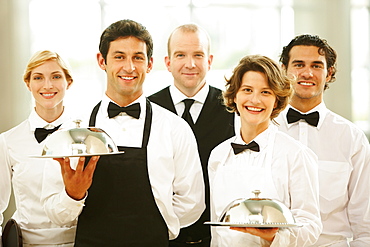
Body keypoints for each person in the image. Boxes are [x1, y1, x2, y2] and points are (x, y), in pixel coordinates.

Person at [41, 19, 205, 246]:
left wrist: (156, 228)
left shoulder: (175, 128)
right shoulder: (71, 130)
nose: (129, 67)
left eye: (137, 57)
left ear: (149, 64)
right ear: (102, 61)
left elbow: (192, 203)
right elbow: (53, 211)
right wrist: (73, 195)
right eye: (119, 57)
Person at [208, 54, 322, 246]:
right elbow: (217, 230)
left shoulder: (296, 155)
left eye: (265, 92)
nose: (255, 100)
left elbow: (310, 226)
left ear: (277, 101)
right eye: (247, 90)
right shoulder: (218, 155)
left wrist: (273, 237)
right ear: (235, 96)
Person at [276, 34, 370, 246]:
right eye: (298, 64)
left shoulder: (352, 139)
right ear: (283, 70)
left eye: (316, 66)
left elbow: (365, 222)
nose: (307, 73)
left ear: (329, 74)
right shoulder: (264, 132)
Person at [149, 23, 235, 246]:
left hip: (218, 236)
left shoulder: (233, 108)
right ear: (168, 62)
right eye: (180, 55)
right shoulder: (148, 110)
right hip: (160, 236)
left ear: (209, 60)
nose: (190, 64)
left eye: (198, 54)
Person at [0, 50, 75, 246]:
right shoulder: (8, 141)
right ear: (28, 83)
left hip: (79, 241)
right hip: (25, 242)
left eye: (56, 76)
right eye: (38, 77)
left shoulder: (85, 137)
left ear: (69, 82)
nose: (47, 85)